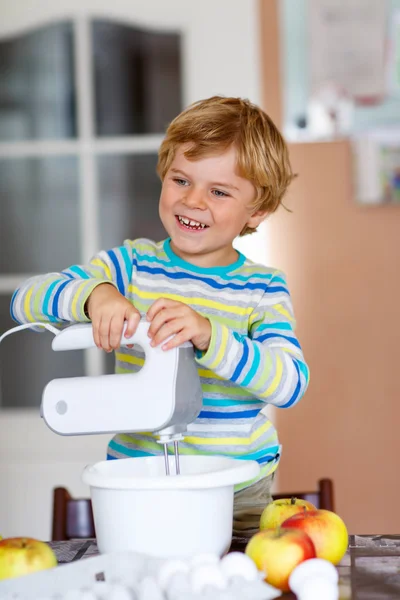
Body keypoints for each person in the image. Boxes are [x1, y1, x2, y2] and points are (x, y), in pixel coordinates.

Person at [11, 96, 309, 538]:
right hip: (138, 480)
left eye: (219, 191)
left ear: (258, 208)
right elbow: (25, 299)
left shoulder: (263, 289)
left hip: (237, 487)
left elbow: (290, 383)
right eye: (181, 179)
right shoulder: (130, 266)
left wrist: (211, 336)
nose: (192, 200)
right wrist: (97, 295)